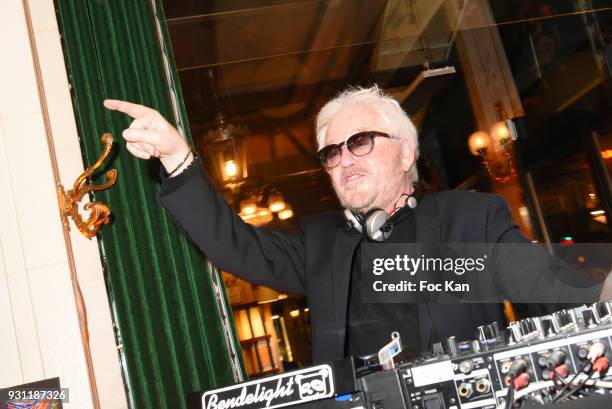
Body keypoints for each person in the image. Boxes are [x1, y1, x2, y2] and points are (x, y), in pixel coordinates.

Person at [103, 86, 609, 364]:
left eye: (360, 142)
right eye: (331, 153)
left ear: (406, 151)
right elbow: (237, 248)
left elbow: (544, 283)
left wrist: (602, 294)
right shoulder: (320, 243)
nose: (343, 159)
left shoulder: (470, 218)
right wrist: (178, 160)